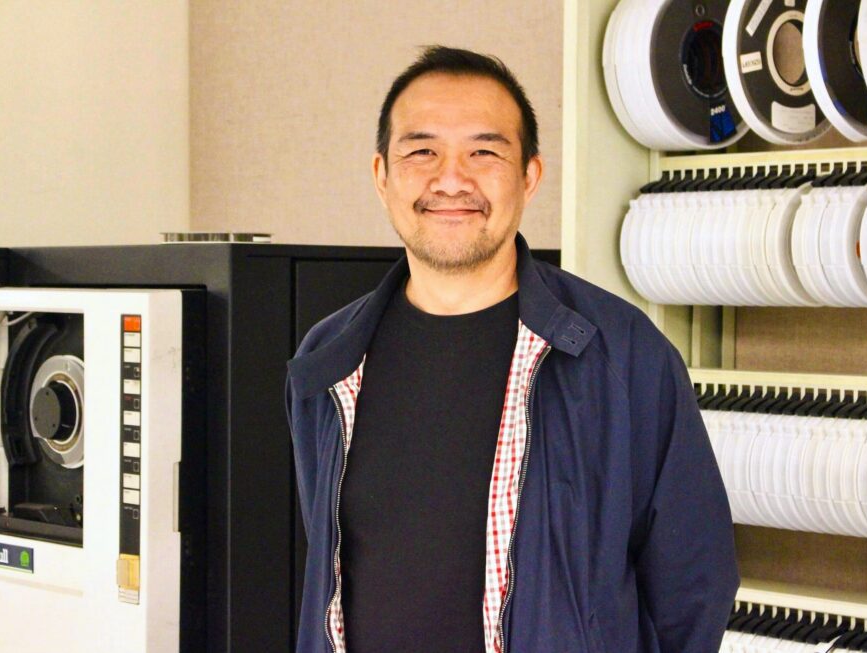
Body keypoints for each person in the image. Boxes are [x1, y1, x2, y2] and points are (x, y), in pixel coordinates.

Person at [285, 46, 737, 653]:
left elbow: (693, 586)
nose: (451, 179)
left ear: (529, 176)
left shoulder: (623, 357)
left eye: (484, 152)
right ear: (381, 176)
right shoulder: (329, 359)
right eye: (421, 151)